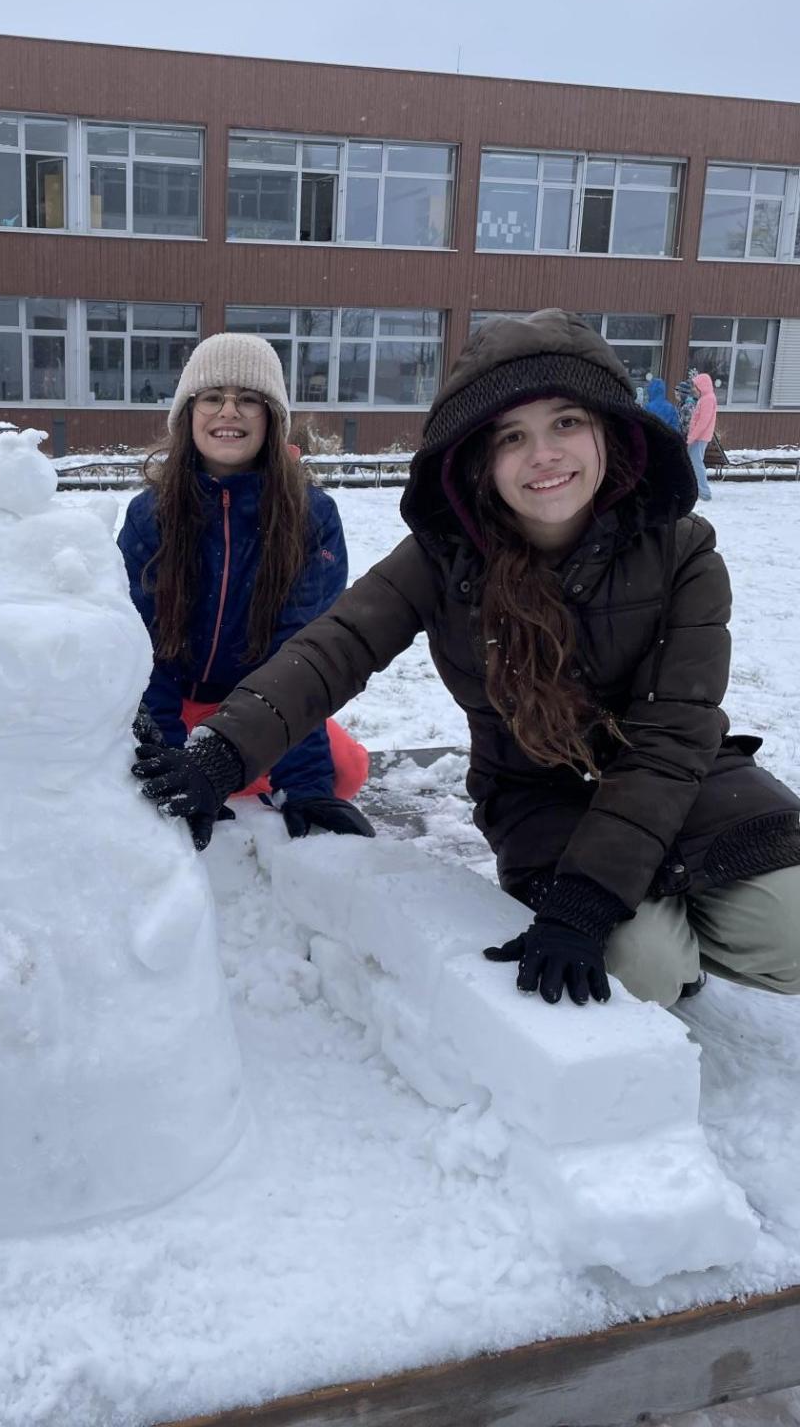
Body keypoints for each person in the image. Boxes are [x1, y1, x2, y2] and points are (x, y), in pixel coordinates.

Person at [134, 311, 800, 1009]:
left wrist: (588, 899)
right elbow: (333, 649)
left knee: (788, 931)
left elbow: (672, 738)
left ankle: (675, 912)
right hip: (540, 796)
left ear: (609, 429)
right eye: (512, 436)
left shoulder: (682, 550)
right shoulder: (445, 556)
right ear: (479, 458)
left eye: (566, 422)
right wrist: (220, 755)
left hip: (679, 783)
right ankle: (672, 947)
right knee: (644, 966)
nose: (543, 454)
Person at [119, 332, 372, 840]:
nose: (229, 411)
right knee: (128, 779)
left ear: (272, 417)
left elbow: (302, 654)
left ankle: (250, 771)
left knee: (345, 772)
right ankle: (236, 774)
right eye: (212, 397)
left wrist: (305, 785)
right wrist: (176, 762)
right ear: (188, 414)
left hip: (257, 705)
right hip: (171, 699)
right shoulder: (150, 514)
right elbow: (141, 648)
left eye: (249, 399)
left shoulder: (313, 516)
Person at [687, 371, 718, 502]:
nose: (693, 389)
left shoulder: (708, 399)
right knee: (693, 463)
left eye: (695, 386)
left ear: (702, 386)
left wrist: (692, 437)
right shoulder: (704, 399)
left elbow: (703, 422)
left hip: (700, 438)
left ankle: (704, 492)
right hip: (697, 437)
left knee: (696, 463)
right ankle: (696, 489)